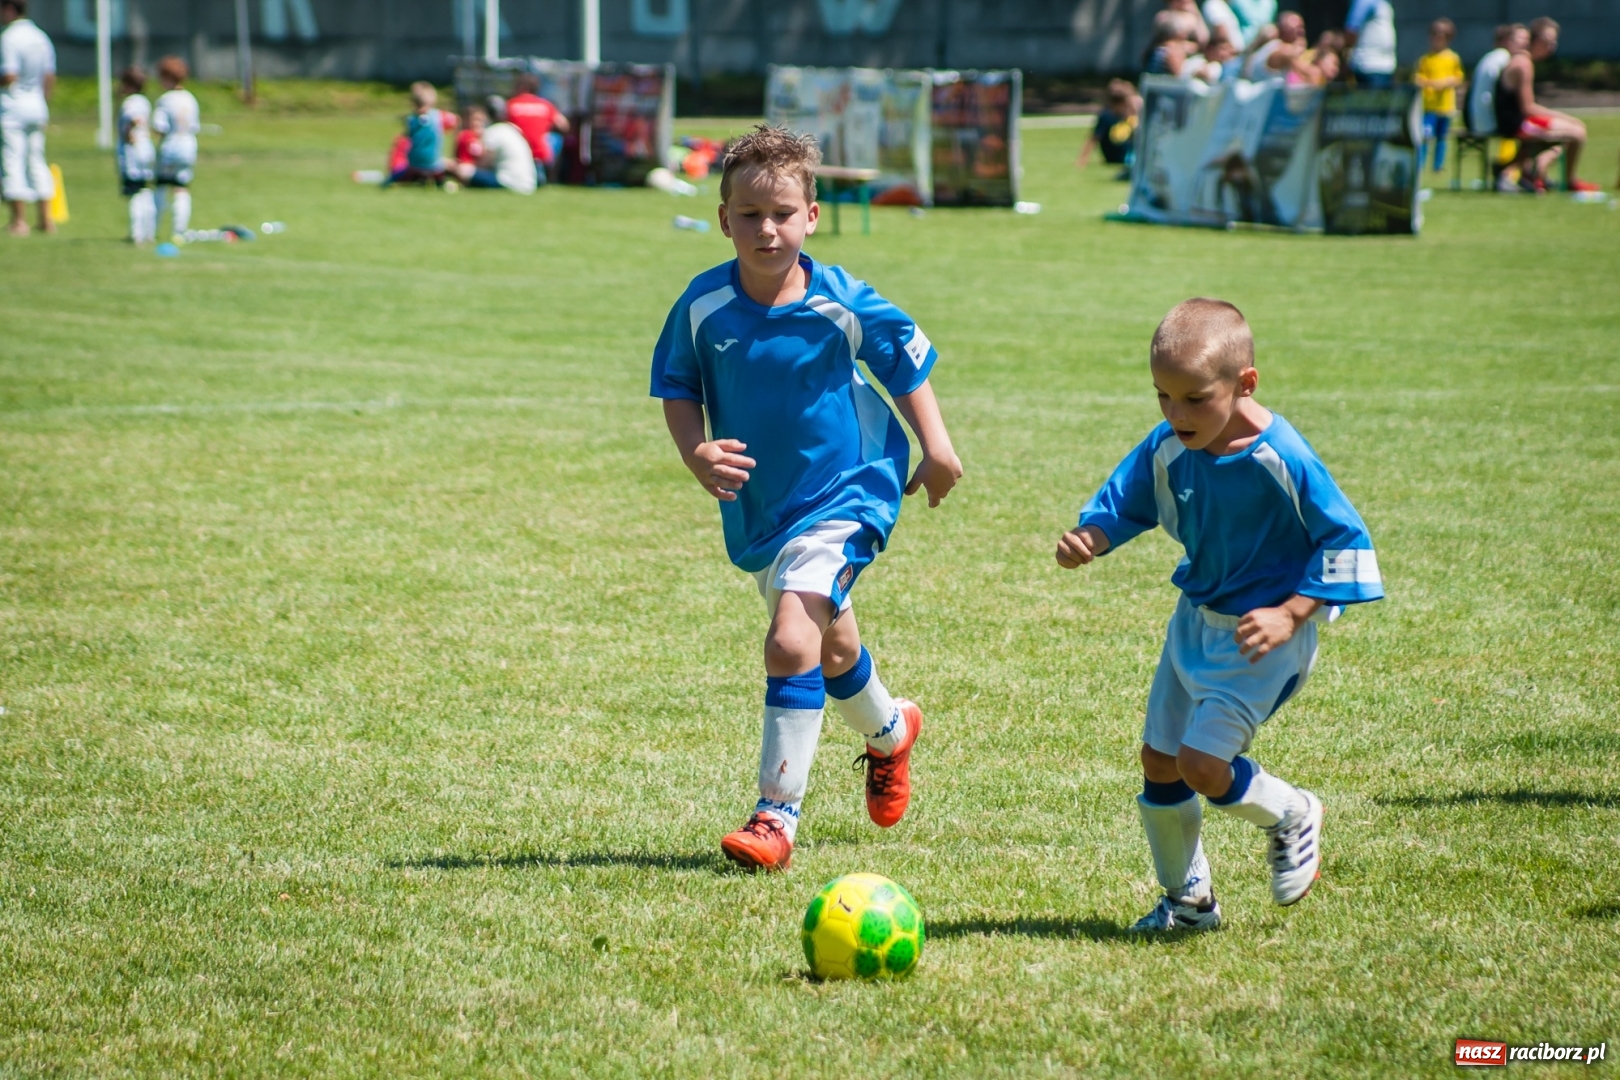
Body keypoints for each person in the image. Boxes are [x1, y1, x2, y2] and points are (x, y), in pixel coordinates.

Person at [650, 125, 962, 872]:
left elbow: (904, 361)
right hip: (765, 509)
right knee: (833, 649)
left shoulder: (840, 300)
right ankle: (891, 733)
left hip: (850, 489)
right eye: (750, 214)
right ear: (723, 219)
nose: (768, 229)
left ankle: (774, 815)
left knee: (791, 639)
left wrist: (938, 446)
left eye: (784, 213)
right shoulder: (703, 306)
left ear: (811, 217)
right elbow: (678, 386)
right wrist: (696, 450)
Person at [1056, 299, 1383, 932]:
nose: (1176, 416)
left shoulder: (1282, 456)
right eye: (1162, 397)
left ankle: (1290, 812)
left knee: (1202, 767)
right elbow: (1128, 497)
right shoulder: (1172, 444)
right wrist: (1092, 537)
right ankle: (1188, 903)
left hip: (1261, 639)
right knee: (1159, 759)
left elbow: (1347, 541)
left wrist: (1293, 611)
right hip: (1193, 623)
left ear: (1246, 384)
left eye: (1195, 399)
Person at [1496, 18, 1598, 193]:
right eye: (1548, 41)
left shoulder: (1524, 61)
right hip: (1514, 123)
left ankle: (1534, 172)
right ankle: (1566, 181)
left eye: (1554, 42)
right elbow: (1527, 108)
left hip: (1516, 120)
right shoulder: (1523, 64)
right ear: (1535, 40)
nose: (1552, 46)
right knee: (1577, 132)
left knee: (1569, 131)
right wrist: (1565, 117)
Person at [0, 0, 55, 236]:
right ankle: (46, 220)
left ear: (10, 9)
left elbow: (9, 74)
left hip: (13, 107)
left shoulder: (9, 37)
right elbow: (49, 75)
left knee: (13, 160)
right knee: (36, 161)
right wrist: (44, 101)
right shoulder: (40, 36)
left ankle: (19, 221)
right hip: (36, 104)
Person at [151, 56, 199, 237]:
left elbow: (159, 127)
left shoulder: (165, 100)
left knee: (161, 187)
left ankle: (153, 229)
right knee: (182, 187)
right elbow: (194, 126)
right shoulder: (190, 99)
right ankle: (179, 231)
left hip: (170, 147)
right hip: (188, 146)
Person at [1414, 19, 1464, 173]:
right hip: (1429, 106)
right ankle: (1420, 163)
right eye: (1435, 35)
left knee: (1442, 138)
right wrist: (1430, 83)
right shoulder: (1425, 59)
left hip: (1445, 105)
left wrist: (1448, 82)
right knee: (1426, 136)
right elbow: (1418, 78)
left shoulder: (1452, 58)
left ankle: (1438, 165)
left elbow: (1458, 77)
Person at [449, 113, 536, 194]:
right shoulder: (509, 129)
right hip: (528, 183)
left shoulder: (493, 131)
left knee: (463, 170)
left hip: (510, 183)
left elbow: (483, 164)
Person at [116, 66, 156, 244]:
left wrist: (130, 132)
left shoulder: (130, 102)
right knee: (145, 190)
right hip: (146, 148)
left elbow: (134, 118)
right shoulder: (144, 101)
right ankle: (149, 232)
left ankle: (136, 234)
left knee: (134, 192)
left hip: (133, 150)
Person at [505, 73, 569, 182]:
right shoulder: (546, 105)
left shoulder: (511, 104)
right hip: (540, 155)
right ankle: (552, 176)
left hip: (518, 154)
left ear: (522, 87)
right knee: (556, 138)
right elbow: (564, 125)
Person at [386, 81, 452, 187]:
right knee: (449, 165)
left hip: (414, 164)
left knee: (394, 178)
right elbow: (455, 121)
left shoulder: (411, 120)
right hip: (434, 165)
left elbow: (405, 138)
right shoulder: (439, 116)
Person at [1468, 23, 1525, 138]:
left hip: (1474, 120)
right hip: (1489, 121)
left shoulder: (1490, 56)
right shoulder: (1504, 58)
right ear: (1507, 41)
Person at [1078, 80, 1141, 174]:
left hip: (1127, 155)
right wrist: (1083, 159)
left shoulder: (1129, 117)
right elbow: (1094, 138)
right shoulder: (1106, 116)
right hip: (1116, 156)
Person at [1345, 0, 1397, 88]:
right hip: (1369, 66)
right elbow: (1351, 30)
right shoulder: (1364, 2)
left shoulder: (1385, 3)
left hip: (1386, 66)